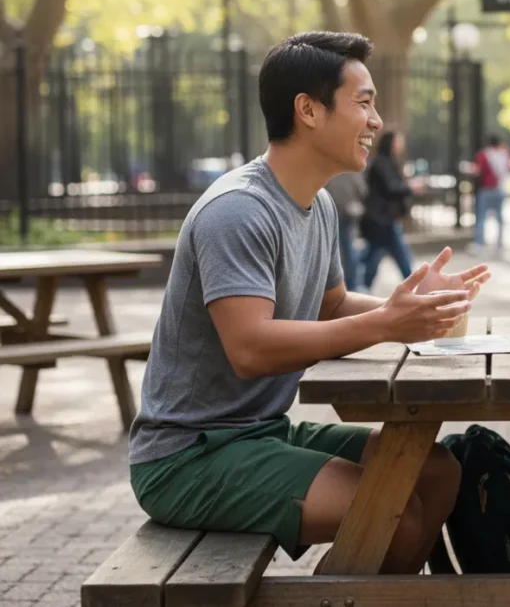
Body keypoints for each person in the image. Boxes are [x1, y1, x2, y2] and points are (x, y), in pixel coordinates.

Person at [128, 31, 491, 575]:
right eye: (363, 102)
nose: (376, 121)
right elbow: (250, 348)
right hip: (189, 457)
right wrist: (388, 324)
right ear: (308, 111)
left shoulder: (317, 205)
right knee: (393, 514)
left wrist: (410, 307)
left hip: (262, 431)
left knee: (437, 471)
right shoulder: (239, 211)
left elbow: (332, 304)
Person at [360, 130, 416, 290]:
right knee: (398, 254)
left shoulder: (387, 162)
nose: (401, 145)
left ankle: (362, 284)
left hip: (384, 219)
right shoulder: (381, 163)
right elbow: (391, 188)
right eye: (398, 141)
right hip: (382, 219)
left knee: (373, 255)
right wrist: (410, 187)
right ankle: (413, 283)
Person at [324, 171, 367, 291]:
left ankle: (346, 284)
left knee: (339, 250)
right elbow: (362, 189)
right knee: (348, 250)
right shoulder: (351, 168)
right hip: (347, 212)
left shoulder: (330, 169)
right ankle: (352, 284)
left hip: (334, 211)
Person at [470, 135, 510, 255]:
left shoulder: (484, 155)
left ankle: (479, 244)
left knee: (482, 217)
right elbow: (509, 169)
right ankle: (499, 244)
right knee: (499, 218)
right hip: (500, 189)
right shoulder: (504, 155)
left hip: (486, 189)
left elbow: (477, 170)